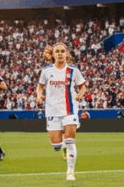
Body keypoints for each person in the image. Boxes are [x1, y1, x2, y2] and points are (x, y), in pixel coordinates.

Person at [36, 43, 87, 181]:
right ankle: (62, 146)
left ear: (67, 54)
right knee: (56, 145)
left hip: (70, 109)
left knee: (70, 141)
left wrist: (81, 94)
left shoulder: (73, 70)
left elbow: (83, 86)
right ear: (53, 54)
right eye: (57, 51)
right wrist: (39, 96)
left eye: (62, 51)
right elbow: (40, 87)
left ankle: (70, 172)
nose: (59, 53)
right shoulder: (46, 70)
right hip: (52, 110)